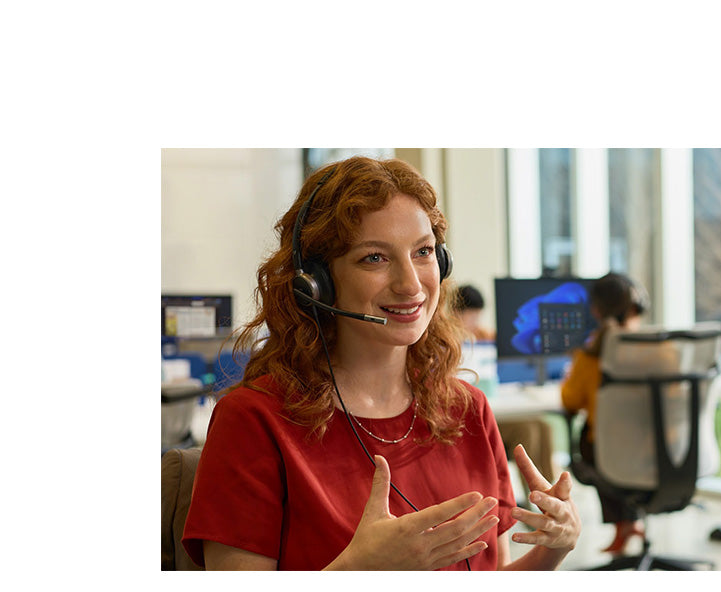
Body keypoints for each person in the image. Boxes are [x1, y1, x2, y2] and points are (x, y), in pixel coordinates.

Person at [181, 156, 581, 570]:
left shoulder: (468, 410)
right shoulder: (254, 422)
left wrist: (553, 549)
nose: (411, 284)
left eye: (423, 252)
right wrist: (359, 570)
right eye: (375, 258)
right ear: (316, 282)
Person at [560, 272, 648, 555]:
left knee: (593, 444)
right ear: (635, 307)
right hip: (651, 446)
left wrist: (570, 375)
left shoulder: (591, 357)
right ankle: (629, 524)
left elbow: (571, 400)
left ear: (595, 310)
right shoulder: (656, 349)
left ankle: (623, 526)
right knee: (620, 450)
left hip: (606, 450)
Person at [453, 284, 557, 488]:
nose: (475, 322)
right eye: (470, 316)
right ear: (456, 313)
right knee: (527, 430)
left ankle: (549, 491)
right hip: (471, 422)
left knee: (544, 426)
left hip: (494, 407)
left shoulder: (484, 336)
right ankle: (534, 497)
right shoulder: (448, 344)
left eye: (478, 316)